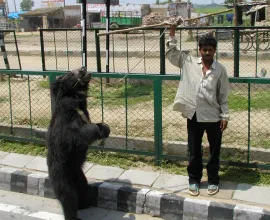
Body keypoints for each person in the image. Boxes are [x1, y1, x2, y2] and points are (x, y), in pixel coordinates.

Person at [166, 21, 230, 196]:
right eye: (204, 49)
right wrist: (172, 30)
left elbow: (223, 95)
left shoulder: (220, 70)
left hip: (213, 117)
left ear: (214, 51)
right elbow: (171, 53)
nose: (207, 53)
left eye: (210, 49)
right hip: (193, 115)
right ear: (199, 50)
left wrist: (225, 115)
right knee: (194, 150)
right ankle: (194, 180)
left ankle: (213, 180)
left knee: (214, 151)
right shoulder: (189, 62)